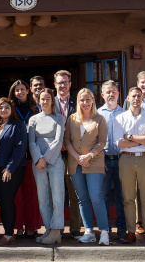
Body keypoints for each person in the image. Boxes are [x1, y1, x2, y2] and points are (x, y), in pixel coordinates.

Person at [66, 87, 110, 245]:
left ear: (93, 100)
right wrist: (78, 157)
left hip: (94, 162)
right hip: (75, 163)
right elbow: (67, 140)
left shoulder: (100, 119)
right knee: (82, 198)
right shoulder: (72, 119)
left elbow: (102, 141)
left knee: (96, 196)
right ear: (78, 102)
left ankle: (104, 232)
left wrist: (89, 155)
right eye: (82, 100)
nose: (85, 102)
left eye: (88, 99)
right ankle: (89, 231)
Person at [0, 98, 26, 246]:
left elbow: (20, 148)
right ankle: (7, 232)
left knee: (7, 199)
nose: (4, 110)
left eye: (7, 107)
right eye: (1, 108)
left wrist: (9, 168)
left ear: (11, 109)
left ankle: (9, 234)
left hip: (12, 168)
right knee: (1, 200)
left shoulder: (18, 125)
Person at [28, 88, 65, 245]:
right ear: (38, 101)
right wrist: (39, 159)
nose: (45, 101)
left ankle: (57, 230)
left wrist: (46, 159)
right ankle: (49, 229)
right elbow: (31, 141)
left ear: (52, 100)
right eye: (42, 99)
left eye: (48, 98)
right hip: (38, 163)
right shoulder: (33, 119)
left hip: (55, 161)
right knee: (43, 198)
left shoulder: (59, 118)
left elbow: (58, 141)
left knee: (57, 196)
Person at [8, 80, 41, 238]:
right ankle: (18, 228)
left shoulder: (35, 108)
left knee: (31, 193)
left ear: (28, 90)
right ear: (13, 92)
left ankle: (31, 227)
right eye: (17, 90)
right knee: (15, 193)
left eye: (22, 89)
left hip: (31, 155)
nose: (20, 92)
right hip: (14, 156)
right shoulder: (10, 108)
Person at [98, 80, 127, 241]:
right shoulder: (97, 114)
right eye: (108, 92)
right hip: (103, 161)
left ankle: (122, 229)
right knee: (103, 197)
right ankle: (105, 230)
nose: (111, 94)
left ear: (118, 94)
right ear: (103, 95)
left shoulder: (125, 114)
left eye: (114, 91)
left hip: (122, 160)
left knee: (122, 196)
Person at [54, 69, 81, 237]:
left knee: (74, 193)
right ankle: (56, 228)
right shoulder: (49, 102)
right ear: (55, 85)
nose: (62, 85)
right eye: (59, 82)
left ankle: (76, 229)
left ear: (70, 84)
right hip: (55, 154)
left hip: (74, 153)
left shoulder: (78, 102)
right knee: (55, 193)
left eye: (65, 82)